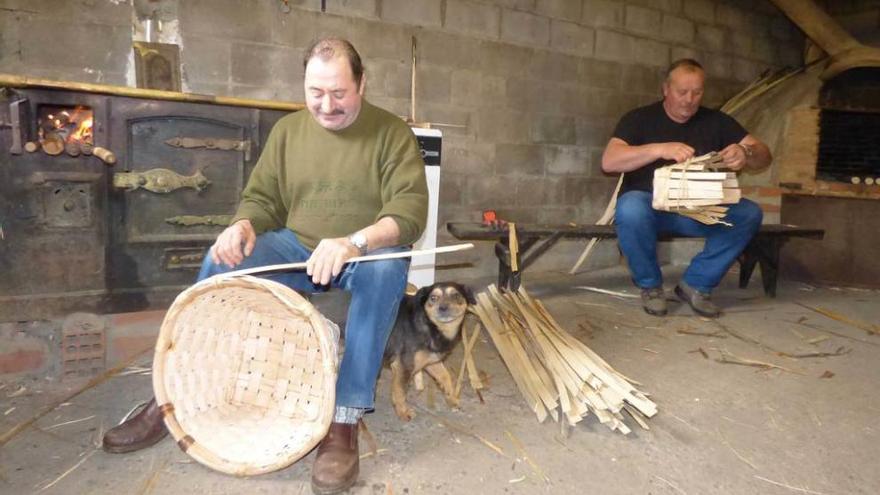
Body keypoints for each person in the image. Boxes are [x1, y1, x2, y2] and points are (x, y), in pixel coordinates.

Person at [102, 38, 429, 494]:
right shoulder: (289, 131)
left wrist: (354, 242)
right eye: (315, 92)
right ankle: (173, 396)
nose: (326, 105)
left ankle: (345, 418)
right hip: (298, 247)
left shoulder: (392, 133)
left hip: (360, 251)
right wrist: (241, 225)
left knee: (383, 270)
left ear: (362, 83)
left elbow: (410, 212)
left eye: (339, 93)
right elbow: (263, 200)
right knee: (221, 258)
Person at [601, 58, 772, 318]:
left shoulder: (717, 121)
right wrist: (659, 149)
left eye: (697, 92)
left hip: (698, 211)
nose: (689, 99)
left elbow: (764, 156)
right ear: (666, 89)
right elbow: (609, 161)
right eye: (682, 92)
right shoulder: (638, 119)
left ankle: (696, 284)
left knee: (748, 213)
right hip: (652, 211)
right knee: (631, 207)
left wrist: (745, 152)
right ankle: (651, 287)